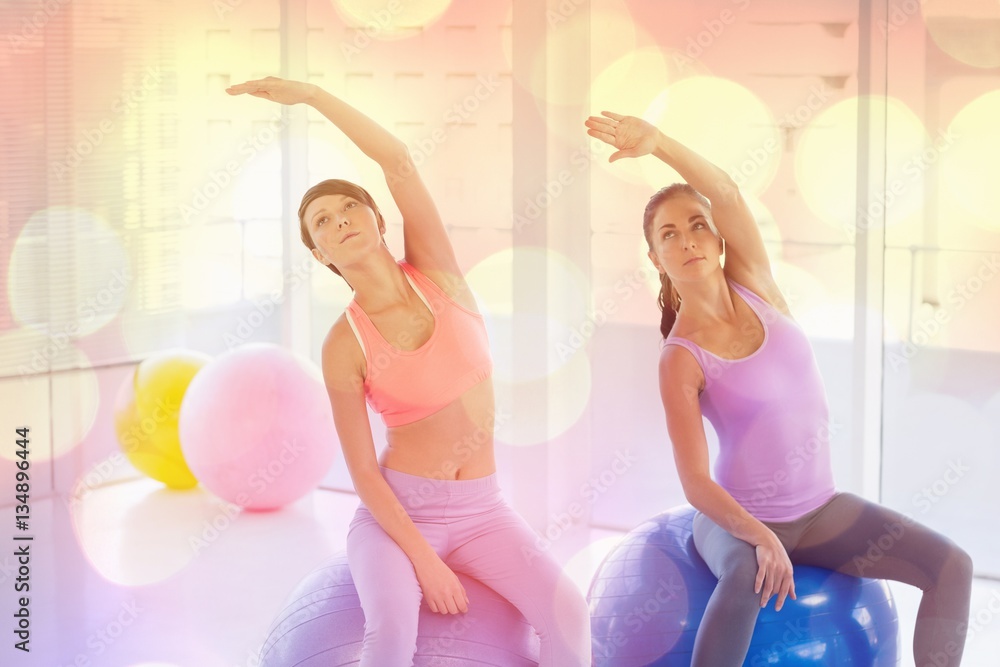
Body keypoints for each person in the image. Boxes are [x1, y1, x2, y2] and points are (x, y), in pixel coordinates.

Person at [585, 110, 974, 666]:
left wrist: (658, 143)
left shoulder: (759, 286)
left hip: (820, 510)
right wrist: (761, 537)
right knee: (745, 575)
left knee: (951, 566)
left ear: (717, 239)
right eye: (669, 234)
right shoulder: (681, 356)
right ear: (656, 258)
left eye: (697, 224)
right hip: (734, 517)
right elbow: (695, 482)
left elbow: (725, 190)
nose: (688, 239)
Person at [226, 76, 591, 666]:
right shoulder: (344, 343)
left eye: (350, 207)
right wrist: (424, 559)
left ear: (378, 220)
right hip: (396, 519)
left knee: (567, 612)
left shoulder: (439, 277)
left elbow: (396, 159)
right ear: (320, 255)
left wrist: (316, 97)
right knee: (393, 636)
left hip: (484, 510)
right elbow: (364, 472)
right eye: (322, 221)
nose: (339, 219)